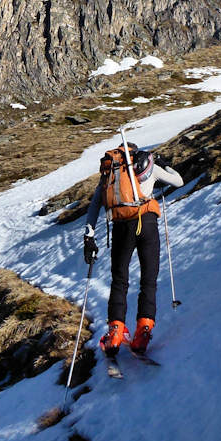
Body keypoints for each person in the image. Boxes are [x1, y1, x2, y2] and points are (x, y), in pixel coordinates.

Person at [83, 141, 183, 357]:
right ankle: (143, 331)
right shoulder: (147, 165)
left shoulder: (110, 173)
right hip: (147, 223)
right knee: (148, 278)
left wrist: (89, 236)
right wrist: (166, 166)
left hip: (122, 228)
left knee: (120, 279)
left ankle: (115, 333)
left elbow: (93, 208)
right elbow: (179, 181)